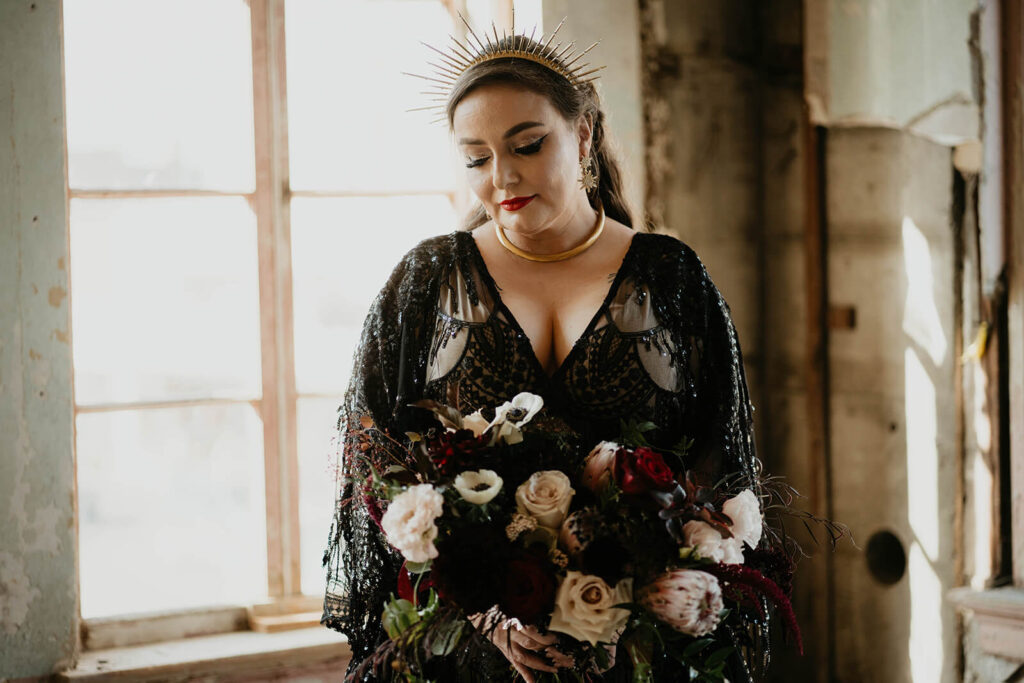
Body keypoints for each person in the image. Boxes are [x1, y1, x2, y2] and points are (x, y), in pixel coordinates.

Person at [321, 19, 764, 683]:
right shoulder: (427, 282)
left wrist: (646, 592)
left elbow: (725, 466)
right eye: (476, 158)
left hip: (638, 663)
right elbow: (371, 461)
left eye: (526, 145)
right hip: (467, 664)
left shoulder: (672, 278)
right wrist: (485, 612)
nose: (501, 176)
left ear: (582, 134)